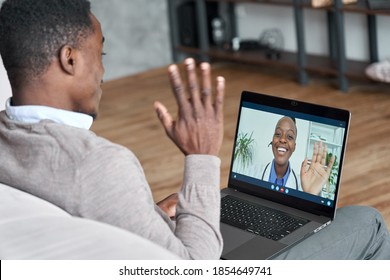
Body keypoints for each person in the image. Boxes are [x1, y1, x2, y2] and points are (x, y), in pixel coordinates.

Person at [0, 0, 389, 260]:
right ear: (69, 59)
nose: (103, 71)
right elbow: (195, 266)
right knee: (365, 220)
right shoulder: (100, 165)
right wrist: (201, 156)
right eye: (98, 54)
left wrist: (148, 214)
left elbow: (90, 218)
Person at [261, 116, 334, 195]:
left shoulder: (302, 185)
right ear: (272, 140)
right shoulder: (251, 172)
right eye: (278, 134)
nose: (282, 139)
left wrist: (310, 194)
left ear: (294, 147)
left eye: (290, 136)